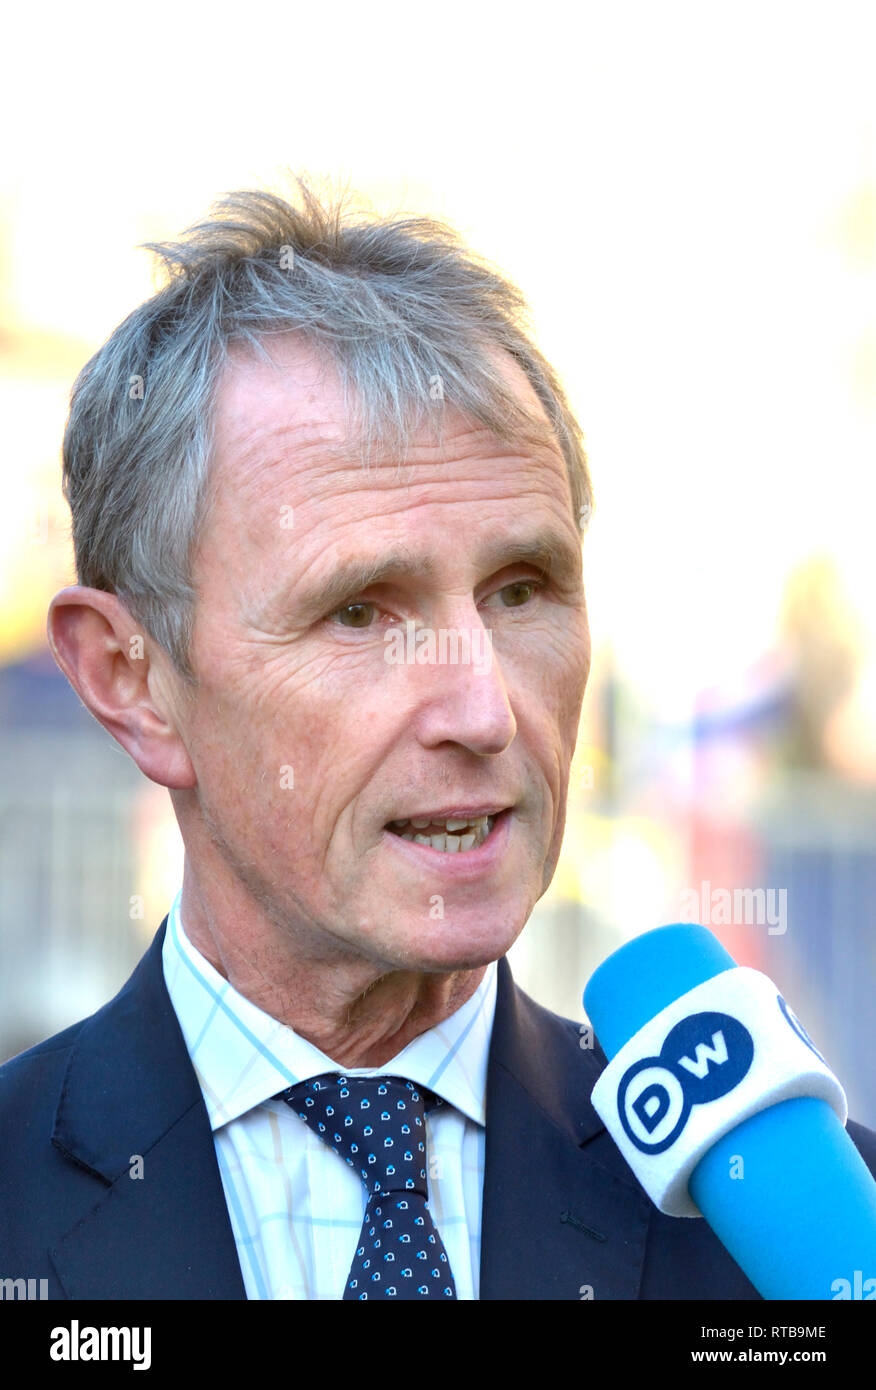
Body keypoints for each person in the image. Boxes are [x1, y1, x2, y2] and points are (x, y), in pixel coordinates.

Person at [1, 180, 873, 1300]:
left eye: (521, 590)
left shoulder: (787, 1231)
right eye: (362, 610)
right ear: (133, 681)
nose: (484, 710)